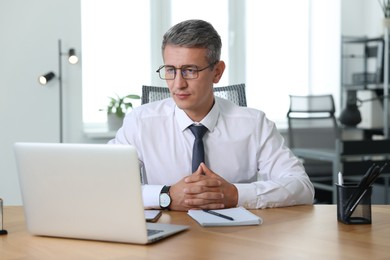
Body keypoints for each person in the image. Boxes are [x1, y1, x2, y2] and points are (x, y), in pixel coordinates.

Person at [109, 19, 314, 211]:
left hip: (236, 240)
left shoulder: (254, 124)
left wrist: (235, 194)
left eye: (190, 70)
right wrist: (166, 195)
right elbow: (107, 184)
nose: (178, 83)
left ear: (217, 72)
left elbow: (302, 186)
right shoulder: (139, 122)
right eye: (171, 70)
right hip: (165, 236)